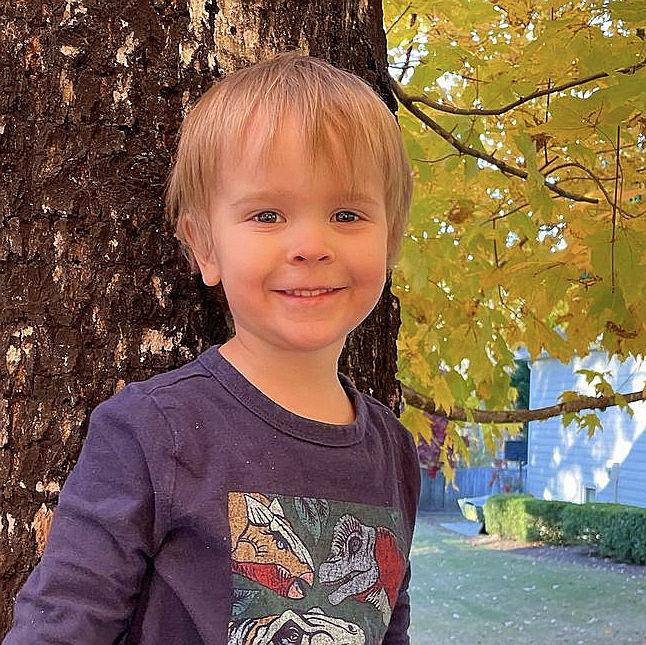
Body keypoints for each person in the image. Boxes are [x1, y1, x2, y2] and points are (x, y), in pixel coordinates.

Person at [4, 51, 419, 645]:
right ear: (205, 247)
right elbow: (61, 626)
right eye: (267, 215)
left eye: (347, 214)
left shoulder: (393, 451)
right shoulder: (154, 431)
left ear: (390, 238)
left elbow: (389, 627)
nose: (311, 244)